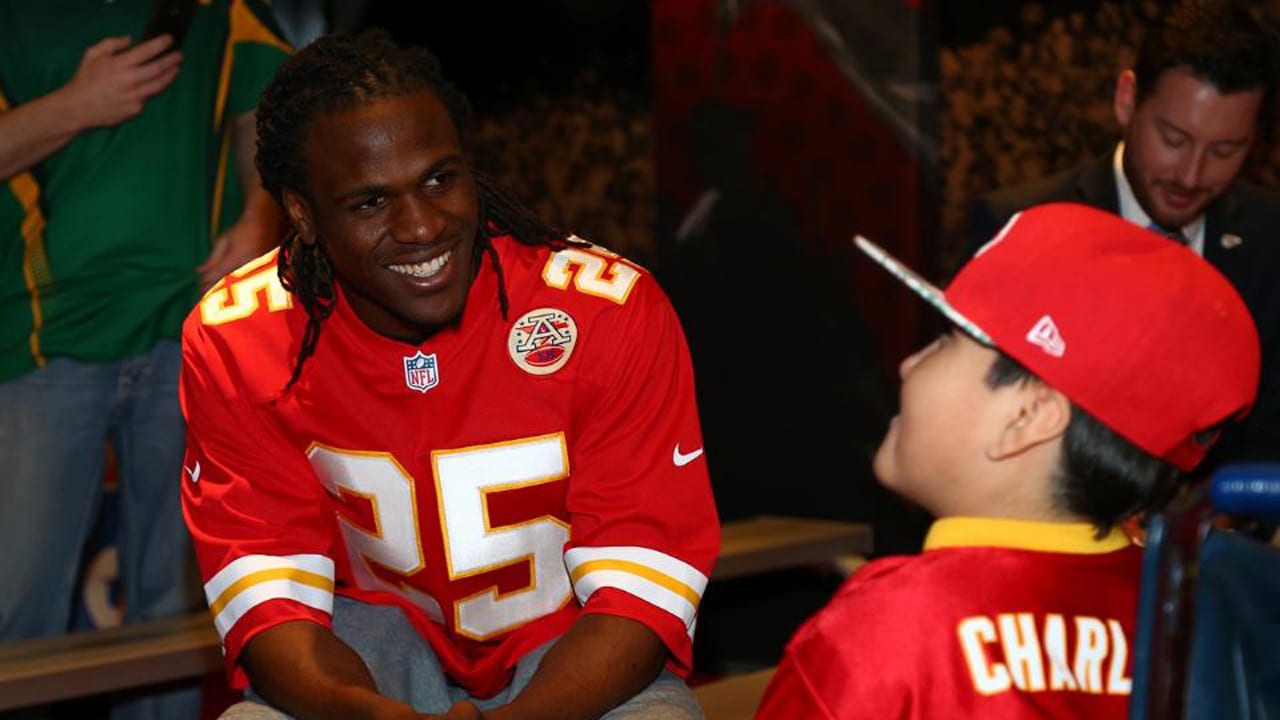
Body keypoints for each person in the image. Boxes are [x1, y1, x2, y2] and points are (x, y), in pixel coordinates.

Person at [180, 30, 719, 719]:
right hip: (368, 665)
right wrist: (365, 714)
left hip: (575, 662)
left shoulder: (607, 312)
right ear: (301, 215)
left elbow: (640, 598)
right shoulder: (240, 338)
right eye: (370, 203)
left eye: (440, 178)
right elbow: (274, 605)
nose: (422, 226)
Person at [755, 202, 1261, 718]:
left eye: (944, 342)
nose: (909, 364)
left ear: (1027, 417)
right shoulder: (1193, 628)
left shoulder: (877, 640)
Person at [0, 1, 289, 716]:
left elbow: (269, 106)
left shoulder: (214, 5)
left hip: (189, 330)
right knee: (16, 605)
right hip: (44, 335)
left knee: (177, 612)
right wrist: (74, 106)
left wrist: (259, 214)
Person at [965, 0, 1280, 470]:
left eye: (1224, 150)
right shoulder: (1023, 223)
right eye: (1173, 140)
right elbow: (975, 426)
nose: (1191, 175)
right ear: (1127, 100)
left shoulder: (1270, 237)